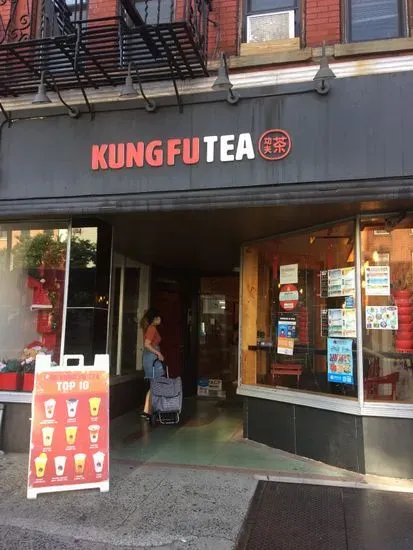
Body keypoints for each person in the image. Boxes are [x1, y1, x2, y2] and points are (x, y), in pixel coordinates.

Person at [141, 308, 165, 420]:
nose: (160, 319)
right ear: (155, 318)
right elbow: (147, 344)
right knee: (156, 383)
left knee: (153, 384)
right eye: (159, 317)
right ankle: (148, 411)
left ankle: (147, 411)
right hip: (152, 359)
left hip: (149, 358)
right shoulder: (152, 328)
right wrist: (158, 353)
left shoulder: (149, 328)